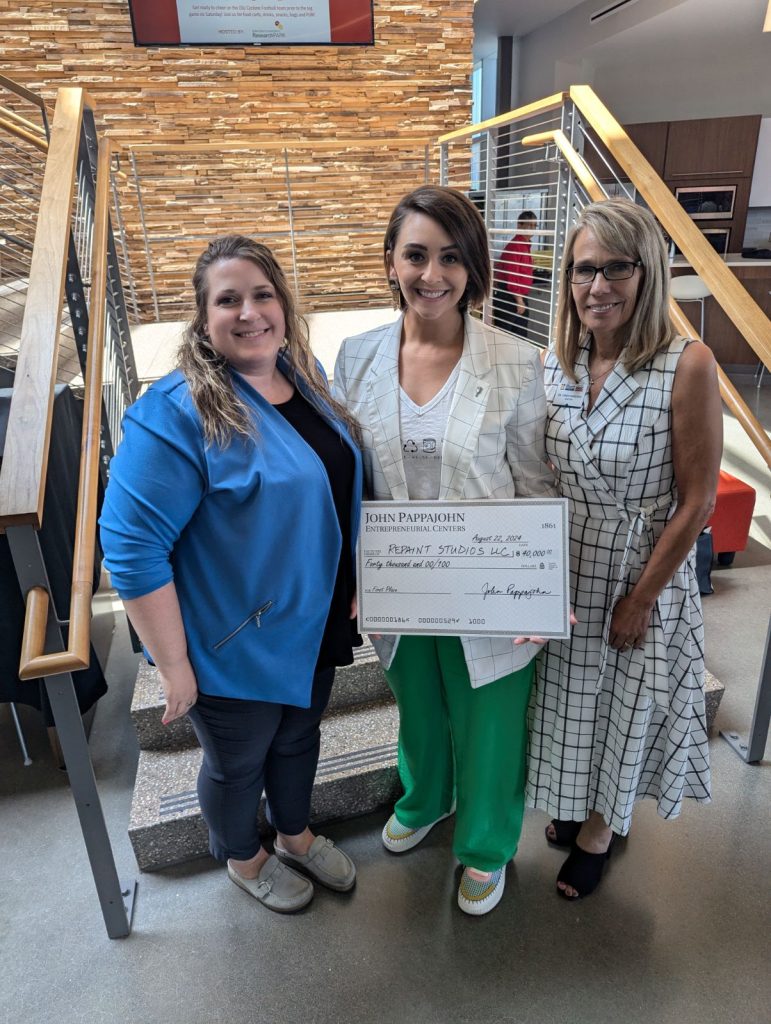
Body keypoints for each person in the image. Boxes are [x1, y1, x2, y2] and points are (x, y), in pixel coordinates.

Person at [100, 235, 363, 913]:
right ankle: (244, 858)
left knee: (301, 737)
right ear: (203, 316)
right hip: (232, 640)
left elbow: (333, 491)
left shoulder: (304, 377)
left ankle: (294, 836)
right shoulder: (175, 413)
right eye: (228, 300)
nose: (248, 313)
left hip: (313, 620)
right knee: (239, 763)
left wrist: (359, 581)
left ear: (283, 303)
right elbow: (130, 549)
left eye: (262, 294)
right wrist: (174, 663)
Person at [332, 186, 556, 916]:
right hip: (399, 583)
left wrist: (539, 590)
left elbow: (535, 486)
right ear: (390, 263)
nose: (432, 274)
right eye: (416, 255)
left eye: (451, 257)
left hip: (489, 586)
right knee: (418, 706)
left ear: (473, 268)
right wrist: (354, 577)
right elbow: (347, 479)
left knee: (489, 718)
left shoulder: (518, 362)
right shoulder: (357, 357)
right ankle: (425, 796)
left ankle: (486, 845)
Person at [526, 198, 722, 900]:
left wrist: (640, 597)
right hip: (567, 561)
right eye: (583, 269)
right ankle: (579, 801)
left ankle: (604, 828)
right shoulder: (556, 363)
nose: (597, 285)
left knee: (627, 703)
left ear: (646, 276)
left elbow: (697, 500)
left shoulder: (684, 364)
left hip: (639, 567)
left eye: (616, 268)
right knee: (572, 700)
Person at [493, 210, 538, 337]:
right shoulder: (516, 246)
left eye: (535, 226)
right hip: (510, 298)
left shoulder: (525, 245)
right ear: (519, 225)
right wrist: (519, 300)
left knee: (519, 337)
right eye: (529, 225)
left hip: (518, 297)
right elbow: (512, 277)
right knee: (507, 336)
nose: (532, 229)